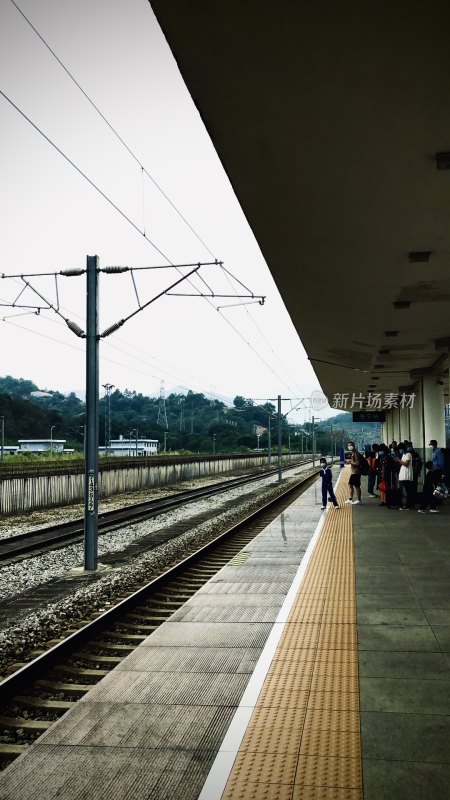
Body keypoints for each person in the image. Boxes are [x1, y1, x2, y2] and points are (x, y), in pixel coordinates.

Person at [395, 443, 415, 510]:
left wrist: (398, 460)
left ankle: (408, 505)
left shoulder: (408, 454)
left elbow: (406, 464)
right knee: (407, 490)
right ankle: (409, 504)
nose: (400, 451)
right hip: (403, 475)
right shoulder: (403, 455)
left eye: (400, 449)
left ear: (403, 449)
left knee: (408, 491)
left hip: (407, 475)